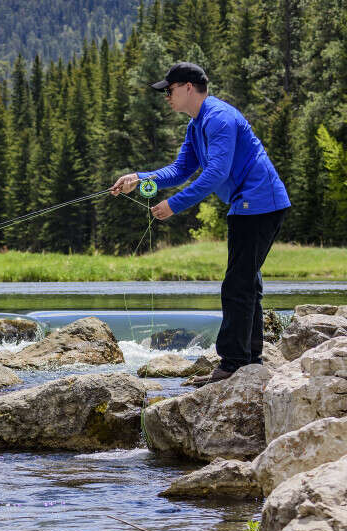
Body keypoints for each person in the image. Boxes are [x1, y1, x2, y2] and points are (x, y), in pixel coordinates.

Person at [110, 62, 291, 383]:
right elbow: (180, 169)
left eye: (170, 89)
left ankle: (233, 364)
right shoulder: (196, 125)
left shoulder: (219, 118)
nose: (166, 96)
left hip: (261, 204)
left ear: (188, 88)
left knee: (237, 284)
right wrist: (140, 177)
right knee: (247, 282)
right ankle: (250, 359)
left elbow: (216, 173)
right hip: (246, 206)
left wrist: (174, 204)